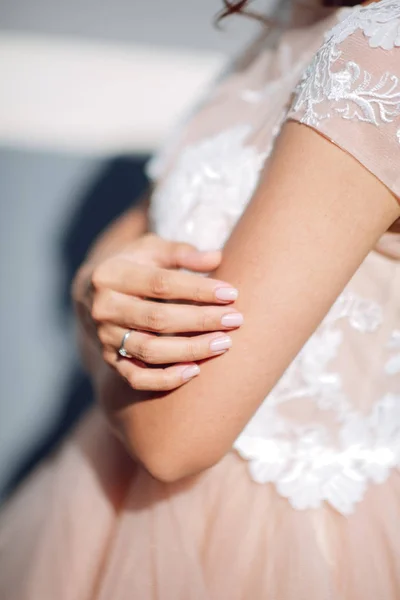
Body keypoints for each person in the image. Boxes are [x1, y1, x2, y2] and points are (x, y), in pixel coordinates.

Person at [1, 0, 400, 598]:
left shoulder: (382, 52)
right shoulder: (292, 18)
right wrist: (94, 289)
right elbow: (138, 232)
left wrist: (93, 308)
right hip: (109, 483)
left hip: (286, 543)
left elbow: (174, 438)